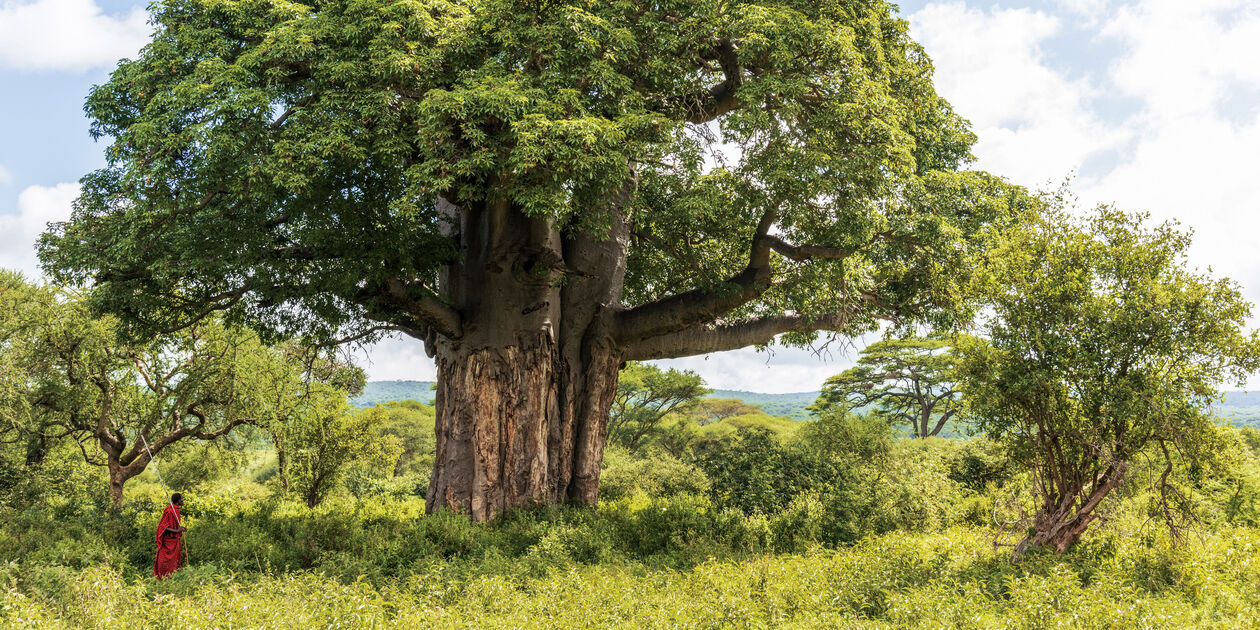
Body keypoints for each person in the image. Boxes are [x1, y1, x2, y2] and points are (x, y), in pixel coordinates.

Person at [153, 493, 186, 578]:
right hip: (168, 541)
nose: (183, 500)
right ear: (178, 501)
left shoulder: (176, 510)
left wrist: (180, 528)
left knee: (173, 561)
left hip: (174, 540)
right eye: (182, 499)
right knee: (164, 560)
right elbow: (163, 526)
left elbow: (173, 524)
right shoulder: (170, 511)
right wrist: (176, 531)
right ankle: (161, 577)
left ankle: (171, 577)